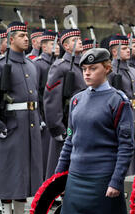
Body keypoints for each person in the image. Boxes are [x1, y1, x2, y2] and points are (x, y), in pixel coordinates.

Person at [55, 48, 134, 214]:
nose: (87, 72)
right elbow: (69, 141)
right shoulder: (77, 100)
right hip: (77, 176)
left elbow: (126, 145)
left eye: (93, 68)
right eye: (84, 69)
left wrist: (116, 180)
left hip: (103, 177)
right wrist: (58, 178)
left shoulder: (118, 100)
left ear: (107, 68)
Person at [0, 21, 43, 214]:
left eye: (26, 35)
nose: (26, 38)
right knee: (10, 173)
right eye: (21, 35)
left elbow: (38, 97)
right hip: (11, 124)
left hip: (30, 123)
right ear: (10, 39)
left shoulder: (31, 65)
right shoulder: (1, 65)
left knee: (25, 171)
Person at [43, 27, 85, 179]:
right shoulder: (60, 66)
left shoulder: (85, 65)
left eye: (79, 39)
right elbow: (52, 100)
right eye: (74, 40)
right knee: (62, 165)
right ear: (65, 46)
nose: (79, 41)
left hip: (84, 123)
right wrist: (57, 127)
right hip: (67, 124)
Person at [108, 34, 135, 175]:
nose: (129, 50)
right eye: (125, 48)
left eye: (129, 47)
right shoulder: (111, 71)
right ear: (114, 52)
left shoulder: (132, 70)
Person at [33, 30, 59, 179]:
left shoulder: (58, 64)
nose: (56, 46)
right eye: (52, 44)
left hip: (55, 117)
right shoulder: (38, 65)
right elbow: (35, 93)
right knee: (44, 156)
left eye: (57, 43)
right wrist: (39, 118)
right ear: (43, 47)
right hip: (43, 117)